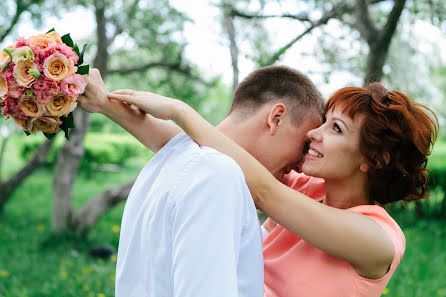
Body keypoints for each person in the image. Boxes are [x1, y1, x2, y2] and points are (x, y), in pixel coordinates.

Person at [106, 82, 438, 297]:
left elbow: (265, 192)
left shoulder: (379, 239)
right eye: (323, 122)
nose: (314, 134)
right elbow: (204, 152)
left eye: (336, 128)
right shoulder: (306, 191)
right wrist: (105, 104)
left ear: (373, 158)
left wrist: (181, 110)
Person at [77, 66, 325, 297]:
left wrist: (106, 104)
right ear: (276, 118)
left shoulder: (170, 157)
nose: (300, 165)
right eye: (304, 145)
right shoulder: (219, 176)